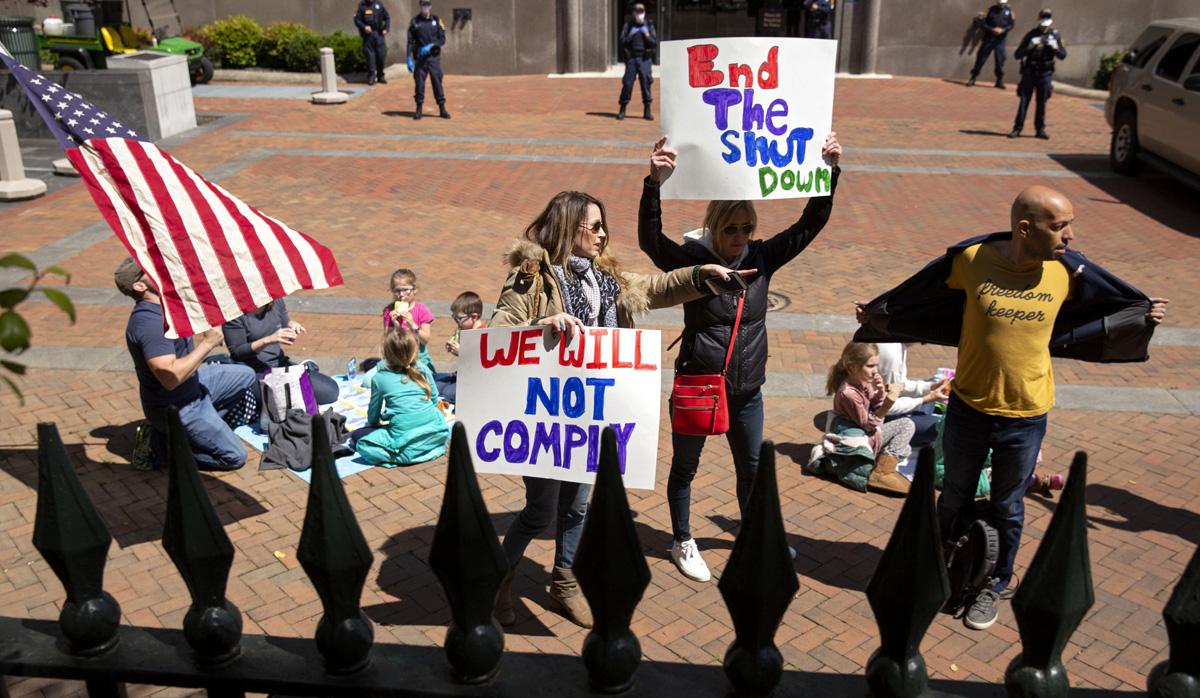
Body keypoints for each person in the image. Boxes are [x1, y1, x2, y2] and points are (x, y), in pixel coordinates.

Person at [854, 185, 1169, 632]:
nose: (1070, 236)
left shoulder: (1067, 273)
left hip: (1025, 415)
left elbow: (1111, 306)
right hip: (968, 409)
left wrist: (1141, 315)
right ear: (1026, 228)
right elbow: (923, 295)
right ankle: (942, 573)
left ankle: (995, 583)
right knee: (955, 497)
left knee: (1008, 506)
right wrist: (884, 312)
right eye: (1059, 226)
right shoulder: (972, 261)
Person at [490, 190, 751, 629]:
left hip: (594, 411)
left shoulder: (605, 277)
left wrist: (701, 274)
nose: (602, 234)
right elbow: (500, 329)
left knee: (577, 508)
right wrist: (543, 325)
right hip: (547, 413)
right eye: (593, 226)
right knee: (540, 510)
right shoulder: (532, 277)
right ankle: (495, 579)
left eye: (603, 225)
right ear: (568, 228)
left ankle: (564, 583)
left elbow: (656, 287)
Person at [638, 132, 842, 583]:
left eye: (746, 228)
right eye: (731, 228)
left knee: (751, 468)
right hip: (699, 384)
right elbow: (651, 242)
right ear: (714, 226)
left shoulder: (764, 258)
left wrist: (827, 173)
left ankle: (755, 534)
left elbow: (810, 224)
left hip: (747, 391)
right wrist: (654, 185)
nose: (739, 237)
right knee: (685, 467)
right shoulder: (693, 260)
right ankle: (682, 540)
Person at [115, 258, 258, 471]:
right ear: (139, 286)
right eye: (149, 268)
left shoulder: (166, 303)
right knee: (235, 457)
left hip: (194, 385)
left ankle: (195, 429)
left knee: (246, 375)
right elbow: (170, 378)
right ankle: (162, 445)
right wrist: (208, 344)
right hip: (176, 405)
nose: (159, 267)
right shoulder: (149, 324)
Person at [821, 341, 915, 495]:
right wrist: (887, 404)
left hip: (864, 433)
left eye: (876, 365)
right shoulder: (848, 393)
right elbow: (868, 425)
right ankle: (881, 474)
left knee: (904, 445)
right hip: (856, 438)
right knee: (906, 425)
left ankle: (881, 464)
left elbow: (874, 405)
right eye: (870, 366)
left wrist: (880, 392)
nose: (875, 371)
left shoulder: (862, 382)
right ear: (852, 367)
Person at [354, 326, 450, 467]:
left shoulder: (379, 378)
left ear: (386, 353)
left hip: (405, 441)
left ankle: (401, 456)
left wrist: (374, 424)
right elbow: (435, 399)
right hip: (436, 433)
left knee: (361, 441)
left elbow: (373, 415)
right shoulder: (423, 368)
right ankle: (428, 449)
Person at [221, 298, 340, 406]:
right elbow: (237, 352)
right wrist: (268, 340)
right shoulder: (235, 314)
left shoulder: (275, 301)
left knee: (330, 390)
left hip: (279, 365)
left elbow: (284, 322)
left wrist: (291, 325)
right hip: (253, 373)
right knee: (293, 400)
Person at [876, 342, 949, 448]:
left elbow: (899, 385)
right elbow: (886, 406)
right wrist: (925, 399)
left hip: (883, 412)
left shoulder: (897, 345)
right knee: (943, 427)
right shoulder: (891, 354)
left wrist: (931, 386)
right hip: (878, 423)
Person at [1009, 9, 1066, 139]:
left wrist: (1056, 48)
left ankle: (1040, 129)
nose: (1044, 22)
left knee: (1042, 101)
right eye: (1043, 18)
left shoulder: (1055, 35)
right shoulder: (1031, 34)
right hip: (1030, 71)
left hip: (1045, 73)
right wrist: (1029, 47)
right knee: (1024, 100)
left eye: (1047, 19)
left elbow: (1063, 55)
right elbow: (1017, 55)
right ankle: (1017, 128)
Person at [382, 268, 437, 377]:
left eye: (405, 290)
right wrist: (396, 326)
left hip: (418, 359)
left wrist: (412, 324)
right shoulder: (389, 310)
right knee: (368, 380)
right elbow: (387, 341)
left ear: (415, 289)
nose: (401, 294)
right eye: (397, 290)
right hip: (396, 360)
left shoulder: (421, 310)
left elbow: (425, 340)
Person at [435, 290, 487, 404]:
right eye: (454, 317)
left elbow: (482, 363)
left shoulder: (483, 334)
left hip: (476, 379)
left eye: (458, 318)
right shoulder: (464, 330)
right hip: (462, 374)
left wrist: (461, 352)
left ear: (474, 317)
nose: (456, 322)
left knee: (449, 393)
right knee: (435, 383)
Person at [407, 0, 449, 120]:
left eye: (427, 4)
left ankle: (442, 109)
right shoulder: (415, 22)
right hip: (420, 59)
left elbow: (442, 39)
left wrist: (431, 46)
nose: (425, 7)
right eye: (423, 4)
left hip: (433, 58)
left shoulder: (436, 20)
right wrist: (408, 57)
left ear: (430, 5)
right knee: (419, 83)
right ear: (420, 5)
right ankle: (418, 109)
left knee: (437, 82)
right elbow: (410, 41)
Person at [617, 3, 656, 122]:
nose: (640, 14)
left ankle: (647, 110)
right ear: (633, 13)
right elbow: (622, 42)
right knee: (627, 84)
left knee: (646, 84)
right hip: (632, 59)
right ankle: (622, 109)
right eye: (637, 12)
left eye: (641, 11)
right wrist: (630, 35)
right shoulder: (628, 25)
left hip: (645, 59)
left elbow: (654, 43)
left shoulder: (649, 25)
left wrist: (647, 35)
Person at [966, 0, 1014, 88]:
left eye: (1003, 4)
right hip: (989, 38)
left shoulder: (1009, 11)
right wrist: (991, 29)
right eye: (1000, 3)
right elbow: (983, 23)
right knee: (981, 58)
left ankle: (999, 80)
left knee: (1000, 60)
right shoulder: (990, 10)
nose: (1001, 5)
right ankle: (973, 77)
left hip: (1000, 40)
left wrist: (1003, 30)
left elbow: (1011, 24)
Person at [353, 0, 390, 86]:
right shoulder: (362, 5)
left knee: (381, 56)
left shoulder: (379, 4)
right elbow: (357, 20)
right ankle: (371, 77)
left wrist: (386, 29)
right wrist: (364, 27)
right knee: (370, 57)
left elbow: (387, 17)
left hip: (379, 34)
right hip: (368, 36)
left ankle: (381, 76)